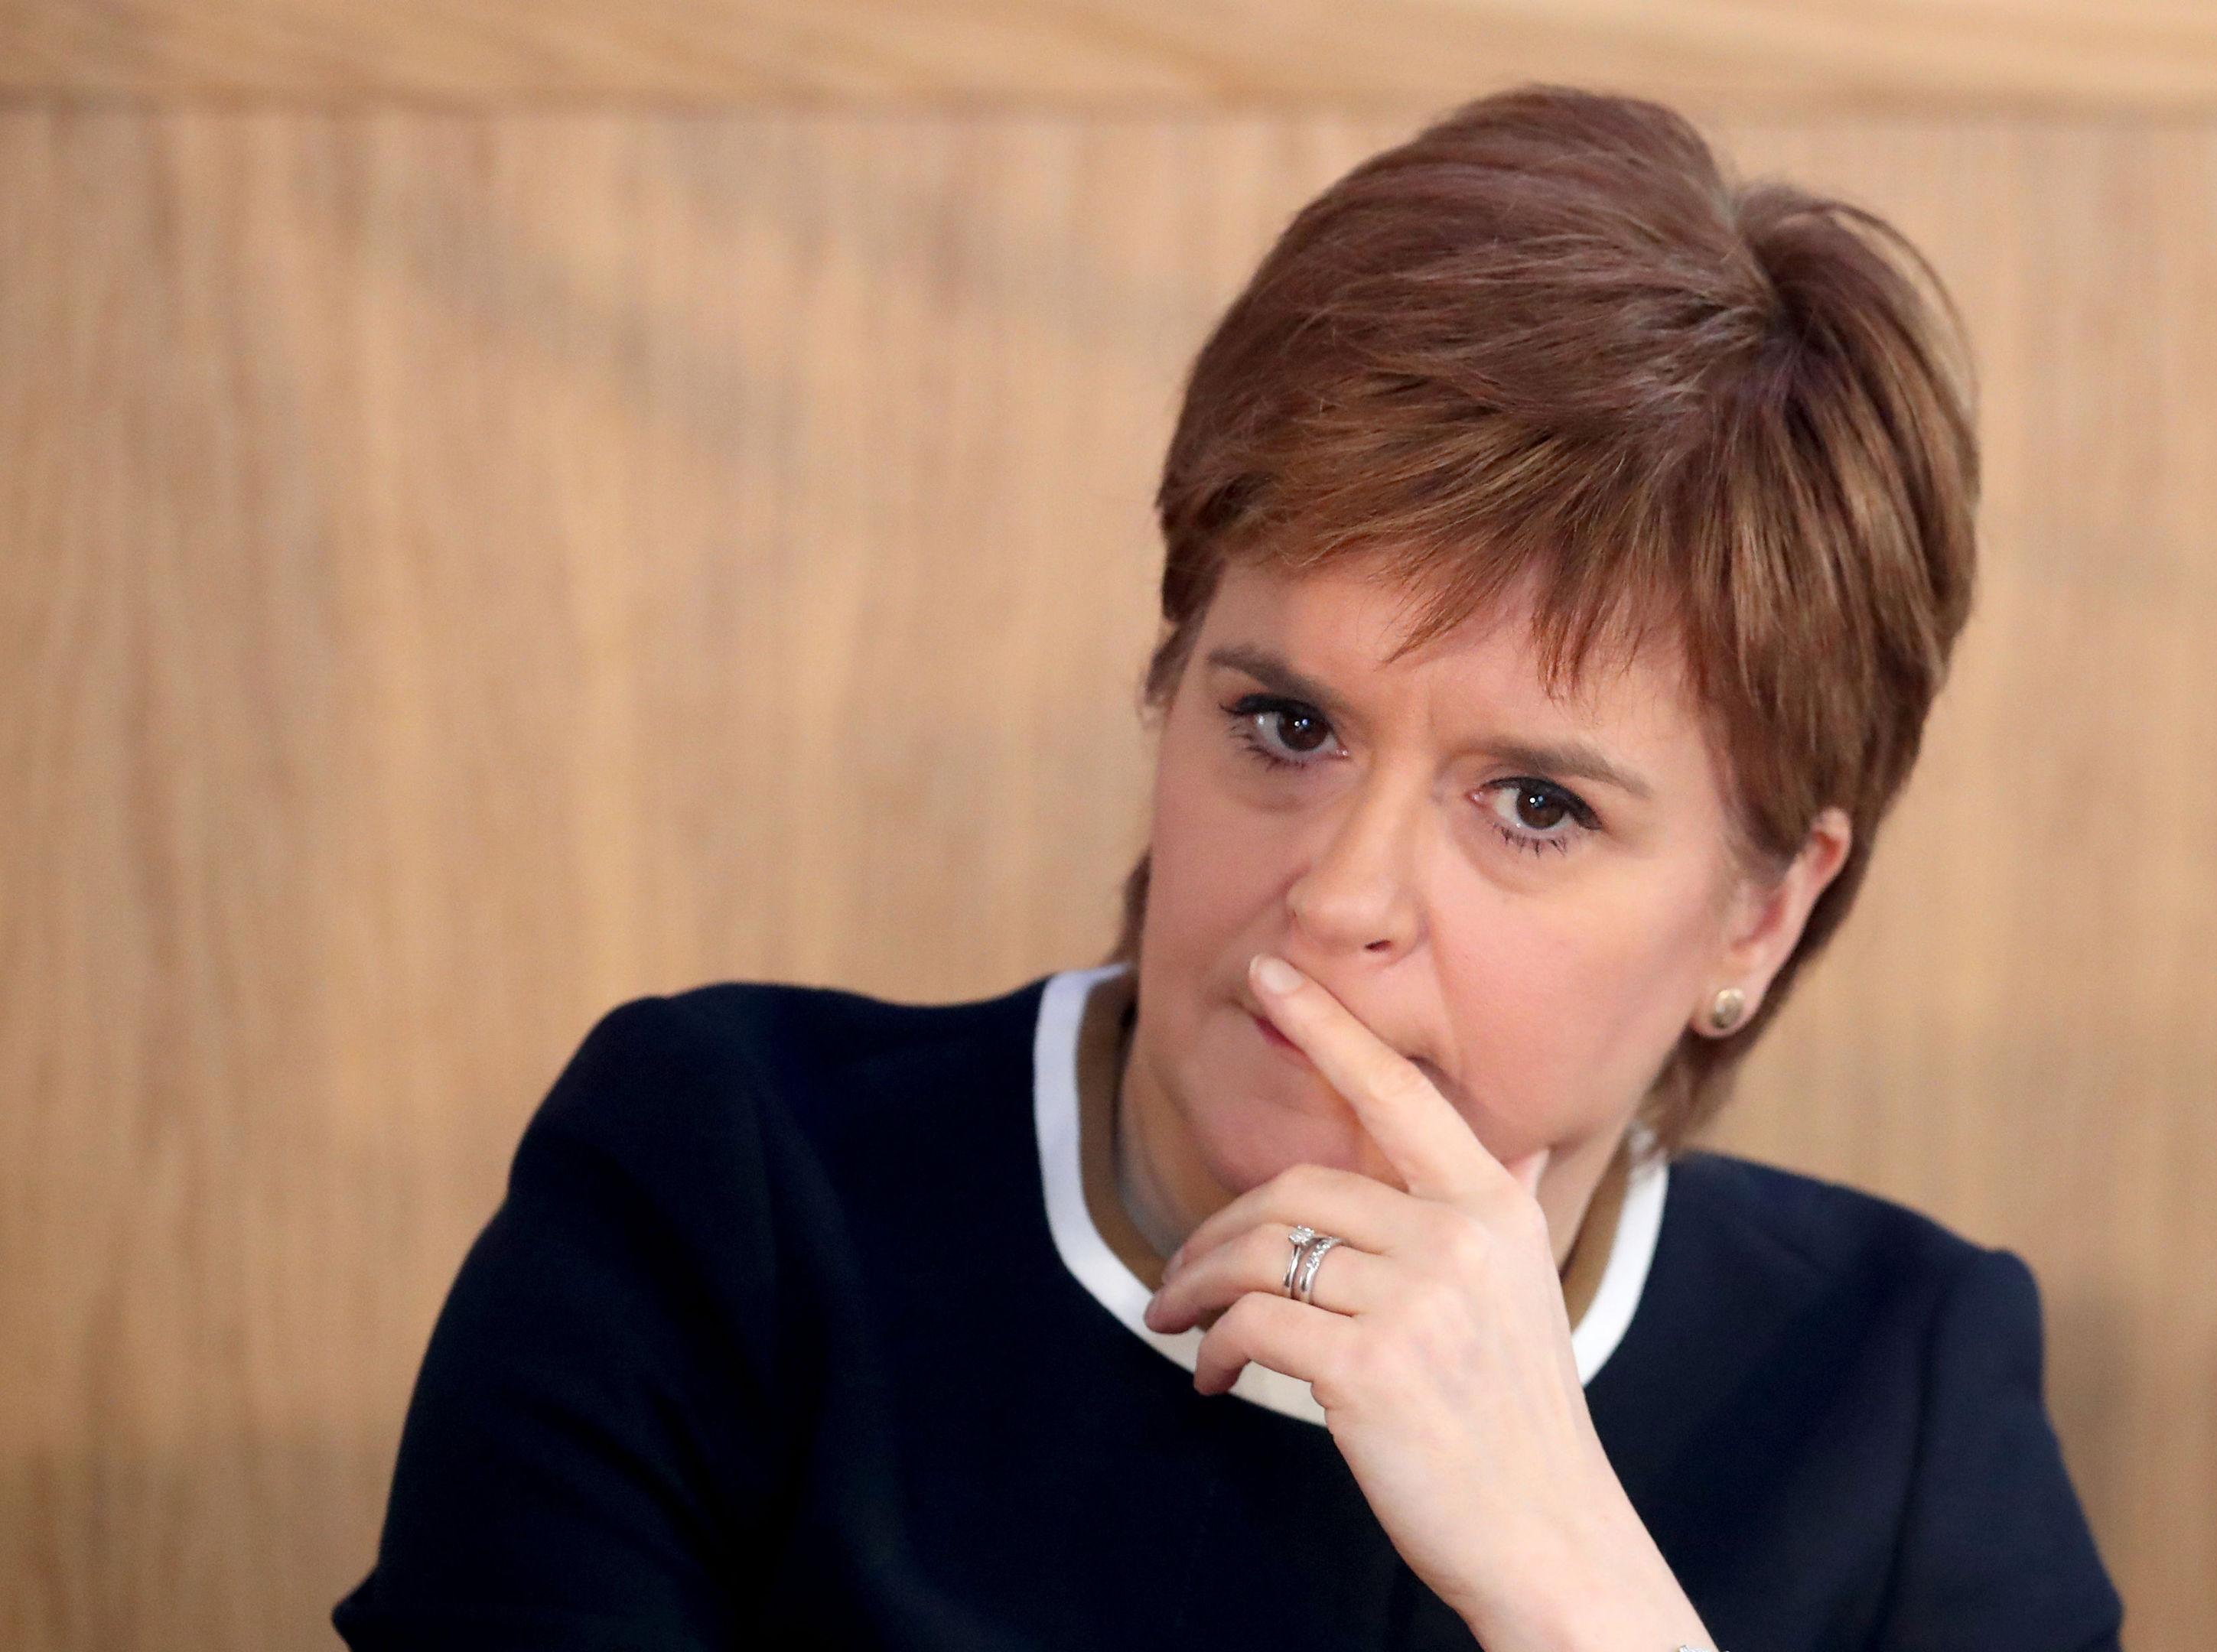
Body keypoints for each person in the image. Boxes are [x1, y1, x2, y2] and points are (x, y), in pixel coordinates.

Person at [334, 86, 2121, 1652]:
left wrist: (1577, 1593)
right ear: (1171, 684)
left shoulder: (1903, 1396)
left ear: (1762, 906)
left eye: (1537, 807)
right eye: (1285, 727)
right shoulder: (722, 1191)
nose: (1342, 895)